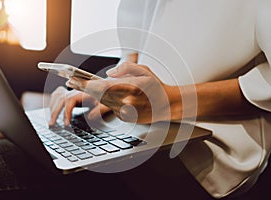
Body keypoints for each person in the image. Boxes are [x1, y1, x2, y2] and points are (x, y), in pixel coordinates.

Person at [49, 0, 271, 198]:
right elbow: (133, 49)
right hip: (141, 133)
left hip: (207, 157)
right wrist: (111, 91)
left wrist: (168, 103)